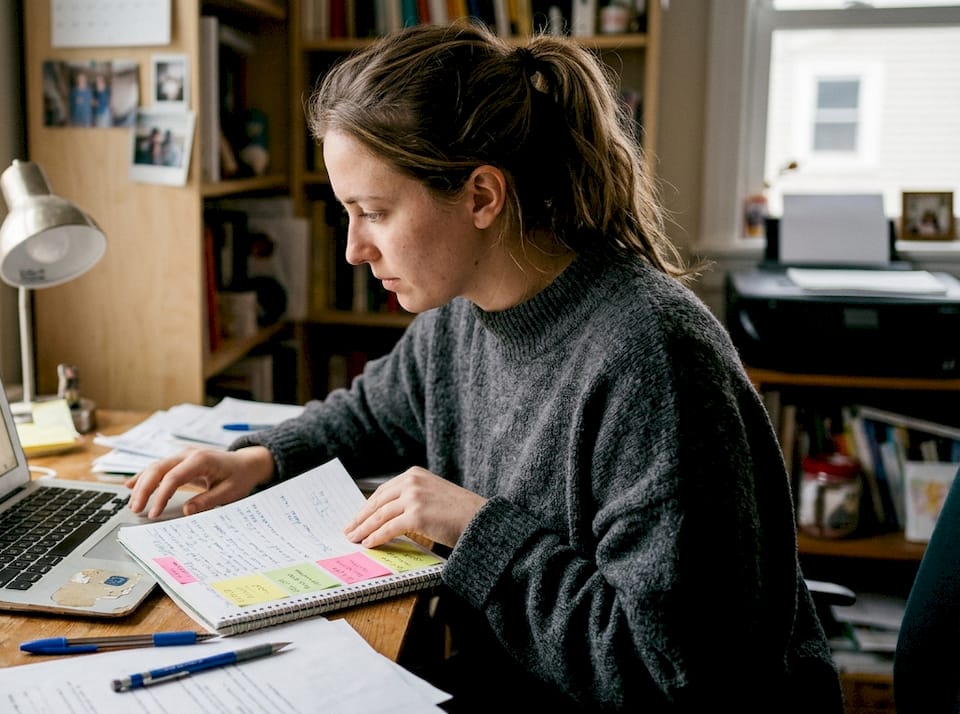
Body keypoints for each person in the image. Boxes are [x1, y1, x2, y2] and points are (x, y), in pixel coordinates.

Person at [126, 22, 842, 712]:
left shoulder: (651, 357)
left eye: (372, 211)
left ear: (481, 196)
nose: (353, 250)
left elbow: (669, 675)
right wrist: (258, 458)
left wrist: (477, 529)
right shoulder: (461, 313)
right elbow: (373, 412)